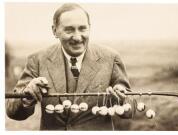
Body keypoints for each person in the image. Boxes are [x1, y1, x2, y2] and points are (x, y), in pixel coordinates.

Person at [6, 3, 134, 130]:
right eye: (69, 29)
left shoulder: (111, 58)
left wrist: (121, 100)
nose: (77, 37)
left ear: (89, 28)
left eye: (82, 28)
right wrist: (27, 97)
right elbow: (12, 111)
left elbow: (131, 109)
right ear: (55, 31)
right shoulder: (37, 60)